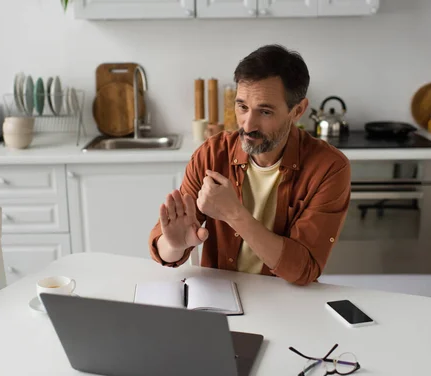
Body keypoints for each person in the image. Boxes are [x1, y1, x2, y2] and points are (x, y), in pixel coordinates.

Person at [148, 44, 351, 286]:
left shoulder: (328, 168)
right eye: (242, 107)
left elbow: (304, 270)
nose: (247, 125)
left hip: (287, 302)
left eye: (265, 112)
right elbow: (166, 252)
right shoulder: (212, 154)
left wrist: (234, 214)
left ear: (297, 111)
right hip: (220, 298)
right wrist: (174, 245)